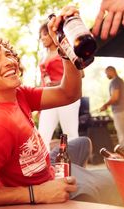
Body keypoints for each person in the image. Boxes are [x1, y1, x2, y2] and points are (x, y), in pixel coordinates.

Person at [0, 6, 122, 207]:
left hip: (52, 169)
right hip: (47, 191)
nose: (9, 61)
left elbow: (69, 93)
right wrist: (36, 193)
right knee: (121, 180)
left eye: (8, 54)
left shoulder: (19, 95)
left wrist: (64, 45)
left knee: (82, 142)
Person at [38, 21, 82, 151]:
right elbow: (44, 81)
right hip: (50, 98)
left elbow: (80, 72)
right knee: (41, 136)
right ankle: (43, 170)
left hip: (67, 96)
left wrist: (58, 83)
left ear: (53, 34)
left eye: (45, 34)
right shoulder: (43, 57)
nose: (43, 38)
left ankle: (76, 167)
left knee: (71, 134)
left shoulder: (65, 50)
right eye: (41, 35)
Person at [100, 66, 124, 150]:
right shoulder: (120, 81)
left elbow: (115, 97)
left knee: (123, 135)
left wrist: (105, 105)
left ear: (111, 71)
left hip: (120, 111)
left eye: (106, 73)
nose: (106, 75)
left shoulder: (115, 81)